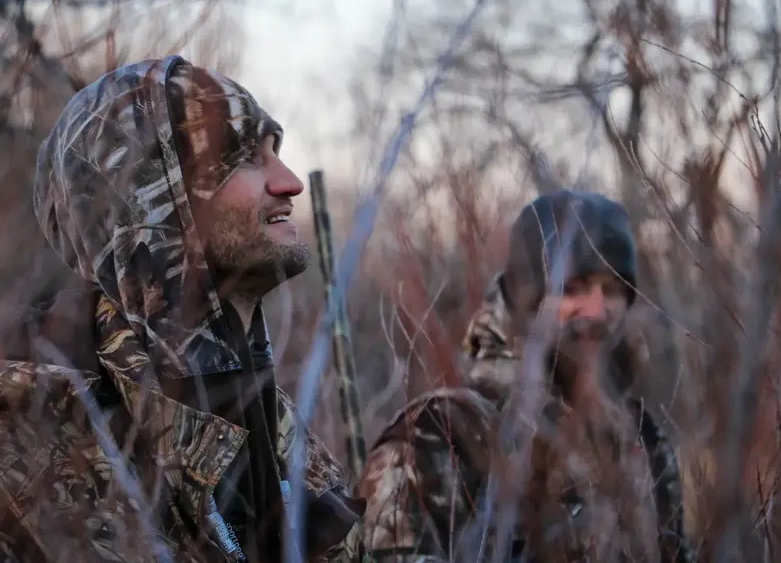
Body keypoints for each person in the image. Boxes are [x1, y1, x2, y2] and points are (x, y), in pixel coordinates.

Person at [0, 56, 365, 562]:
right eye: (244, 159)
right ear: (150, 202)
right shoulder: (33, 439)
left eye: (275, 152)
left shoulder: (286, 435)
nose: (290, 182)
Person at [357, 189, 695, 562]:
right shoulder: (441, 434)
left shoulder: (643, 440)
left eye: (614, 289)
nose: (598, 311)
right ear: (524, 299)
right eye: (572, 289)